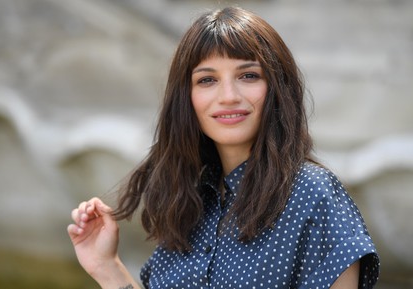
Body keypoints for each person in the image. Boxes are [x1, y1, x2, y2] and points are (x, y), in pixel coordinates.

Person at [68, 6, 379, 289]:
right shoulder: (190, 203)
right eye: (207, 80)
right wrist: (106, 267)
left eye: (248, 75)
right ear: (186, 99)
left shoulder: (311, 193)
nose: (228, 96)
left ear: (277, 89)